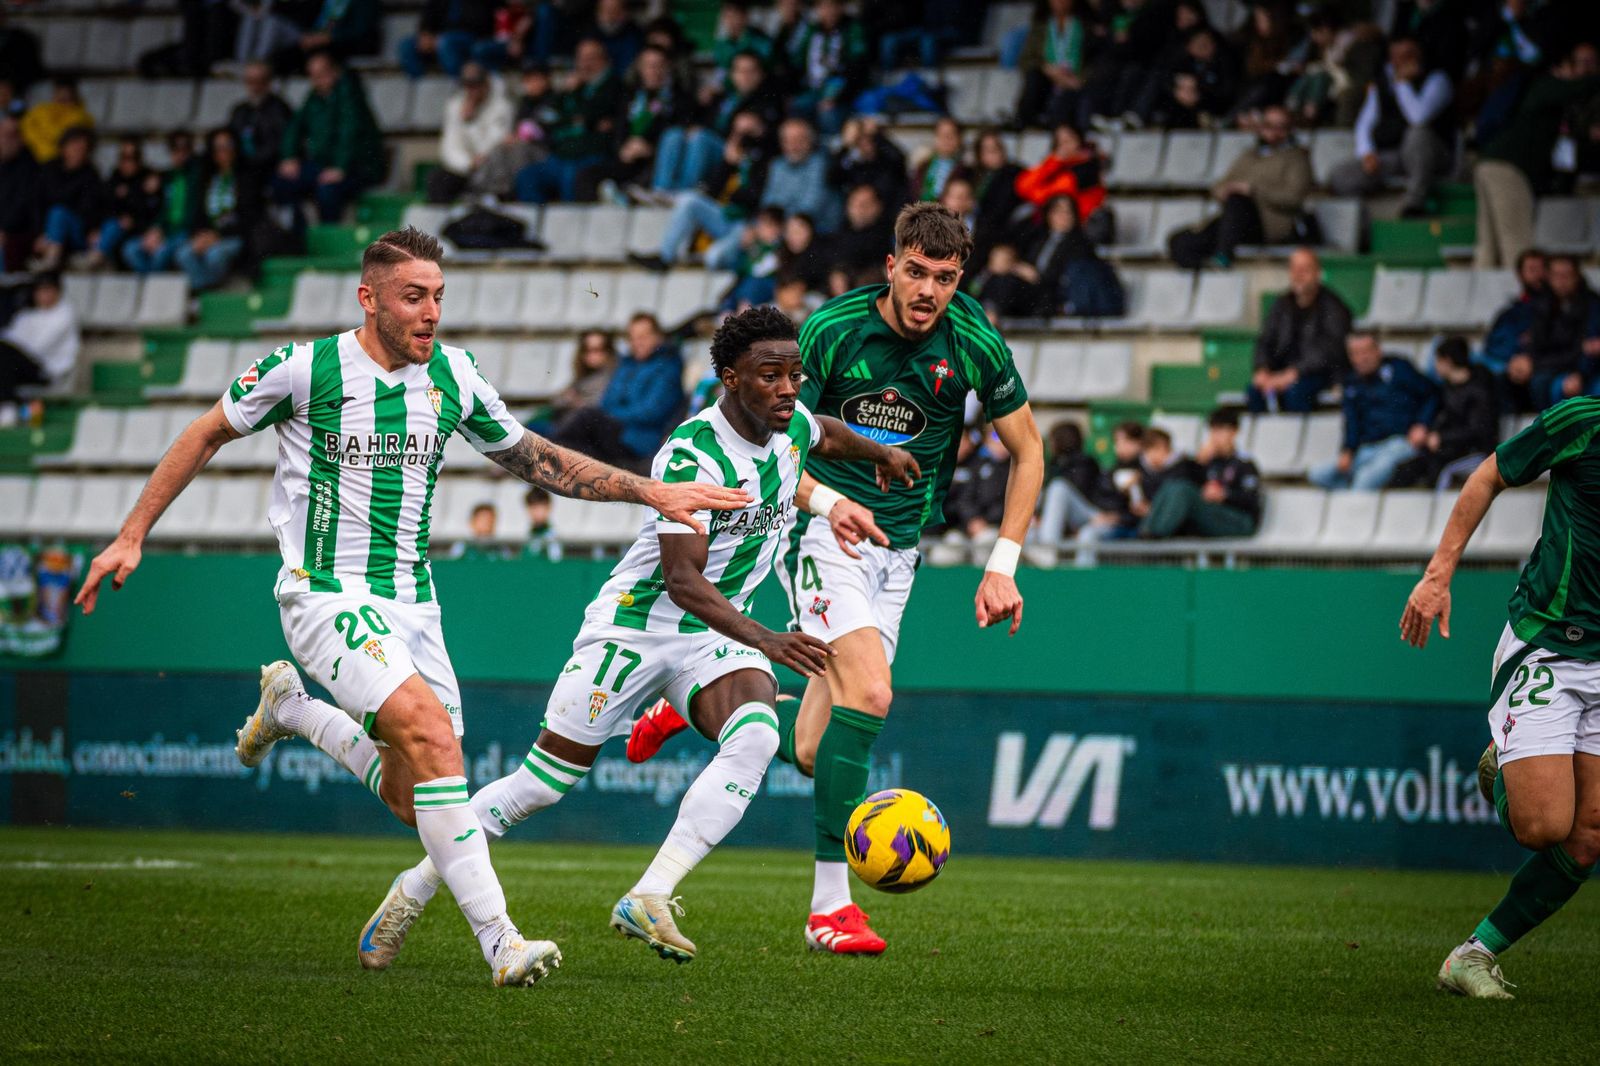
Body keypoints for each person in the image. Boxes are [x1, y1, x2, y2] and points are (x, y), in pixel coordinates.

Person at [72, 226, 743, 987]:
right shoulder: (306, 368)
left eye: (439, 298)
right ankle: (502, 943)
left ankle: (291, 711)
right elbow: (205, 433)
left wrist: (648, 489)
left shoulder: (452, 375)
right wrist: (131, 535)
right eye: (413, 297)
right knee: (433, 738)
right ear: (369, 299)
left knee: (413, 793)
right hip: (325, 593)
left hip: (414, 604)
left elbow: (536, 456)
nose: (430, 313)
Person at [358, 305, 918, 967]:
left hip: (713, 637)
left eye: (795, 373)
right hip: (637, 629)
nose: (789, 388)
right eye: (771, 375)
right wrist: (767, 640)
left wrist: (880, 449)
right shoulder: (692, 454)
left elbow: (822, 432)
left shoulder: (789, 422)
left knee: (759, 735)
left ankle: (651, 893)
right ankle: (414, 888)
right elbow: (683, 580)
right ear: (730, 378)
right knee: (540, 785)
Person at [627, 202, 1043, 954]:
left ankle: (691, 704)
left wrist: (1003, 563)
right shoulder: (830, 330)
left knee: (821, 749)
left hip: (902, 546)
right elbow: (780, 434)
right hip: (820, 528)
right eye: (915, 272)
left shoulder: (975, 341)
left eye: (945, 278)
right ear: (891, 265)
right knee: (873, 693)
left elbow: (1030, 450)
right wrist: (829, 500)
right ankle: (829, 908)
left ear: (960, 280)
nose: (927, 291)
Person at [1401, 395, 1600, 999]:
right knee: (1543, 826)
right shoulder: (1583, 421)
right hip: (1548, 642)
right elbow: (1490, 473)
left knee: (1588, 834)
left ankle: (1474, 955)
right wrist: (1438, 574)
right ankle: (1505, 767)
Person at [1474, 42, 1600, 268]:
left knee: (1489, 243)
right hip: (1508, 169)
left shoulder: (1541, 93)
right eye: (1575, 68)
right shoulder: (1546, 85)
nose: (1579, 74)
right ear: (1561, 68)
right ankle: (1523, 299)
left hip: (1490, 165)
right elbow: (1580, 88)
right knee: (1518, 245)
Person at [1168, 104, 1312, 269]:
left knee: (1238, 200)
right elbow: (1221, 184)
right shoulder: (1249, 155)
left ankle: (1223, 256)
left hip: (1267, 224)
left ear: (1288, 129)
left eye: (1279, 126)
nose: (1272, 131)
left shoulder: (1297, 159)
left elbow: (1294, 198)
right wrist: (1224, 190)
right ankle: (1207, 275)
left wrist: (1253, 191)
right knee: (1179, 241)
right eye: (1267, 125)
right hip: (1233, 222)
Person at [1328, 37, 1454, 218]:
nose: (1398, 62)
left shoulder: (1438, 79)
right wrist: (1367, 153)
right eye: (1394, 56)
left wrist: (1402, 83)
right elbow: (1364, 122)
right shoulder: (1383, 82)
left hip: (1435, 155)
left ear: (1418, 56)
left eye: (1406, 56)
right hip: (1395, 155)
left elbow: (1417, 117)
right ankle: (1367, 220)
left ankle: (1414, 203)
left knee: (1416, 134)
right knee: (1341, 176)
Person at [549, 312, 683, 467]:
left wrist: (612, 415)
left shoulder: (667, 367)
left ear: (658, 337)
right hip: (616, 434)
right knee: (575, 450)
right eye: (632, 338)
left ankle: (544, 453)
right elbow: (607, 399)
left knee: (586, 419)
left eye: (643, 336)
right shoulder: (626, 364)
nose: (637, 342)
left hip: (638, 442)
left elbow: (650, 411)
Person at [1309, 331, 1439, 491]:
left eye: (1366, 351)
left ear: (1378, 350)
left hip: (1399, 442)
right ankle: (1353, 496)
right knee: (1317, 474)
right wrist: (1347, 450)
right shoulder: (1351, 383)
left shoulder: (1399, 368)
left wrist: (1422, 424)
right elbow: (1351, 422)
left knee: (1365, 480)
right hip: (1367, 449)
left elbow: (1432, 394)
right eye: (1356, 353)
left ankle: (1354, 499)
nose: (1362, 358)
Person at [273, 51, 384, 229]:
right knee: (284, 182)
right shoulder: (314, 98)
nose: (318, 80)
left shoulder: (351, 95)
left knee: (327, 191)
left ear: (335, 71)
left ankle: (328, 235)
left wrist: (340, 168)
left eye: (322, 73)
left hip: (357, 167)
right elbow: (295, 127)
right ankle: (298, 233)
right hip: (323, 165)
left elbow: (350, 134)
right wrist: (289, 156)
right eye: (313, 75)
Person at [514, 38, 623, 204]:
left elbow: (593, 113)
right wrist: (570, 100)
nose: (585, 64)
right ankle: (536, 227)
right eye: (581, 58)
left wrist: (579, 114)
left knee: (571, 175)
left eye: (591, 58)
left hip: (590, 156)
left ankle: (569, 226)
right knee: (527, 176)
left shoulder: (613, 86)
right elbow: (548, 117)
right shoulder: (569, 90)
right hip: (559, 157)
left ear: (603, 60)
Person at [1249, 247, 1353, 412]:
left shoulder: (1334, 307)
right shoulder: (1281, 304)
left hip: (1319, 374)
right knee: (1255, 391)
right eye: (1294, 269)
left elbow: (1329, 351)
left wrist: (1293, 373)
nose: (1299, 275)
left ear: (1317, 272)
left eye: (1305, 269)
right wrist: (1262, 369)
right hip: (1282, 372)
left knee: (1296, 392)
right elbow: (1266, 339)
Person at [1390, 336, 1499, 489]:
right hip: (1450, 449)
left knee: (1441, 471)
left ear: (1447, 361)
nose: (1435, 366)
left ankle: (1439, 509)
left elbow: (1478, 431)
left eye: (1437, 361)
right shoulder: (1448, 388)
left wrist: (1442, 438)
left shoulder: (1479, 391)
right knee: (1406, 469)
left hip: (1477, 451)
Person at [1140, 409, 1260, 538]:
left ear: (1234, 432)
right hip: (1211, 516)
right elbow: (1181, 484)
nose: (1215, 436)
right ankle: (1147, 532)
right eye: (1213, 431)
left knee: (1182, 491)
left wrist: (1224, 495)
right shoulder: (1209, 462)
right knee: (1172, 486)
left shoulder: (1245, 463)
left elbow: (1251, 499)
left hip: (1237, 520)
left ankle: (1154, 537)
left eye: (1221, 431)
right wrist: (1198, 463)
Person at [1522, 254, 1600, 411]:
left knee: (1561, 387)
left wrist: (1580, 374)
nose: (1562, 281)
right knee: (1538, 381)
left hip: (1583, 367)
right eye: (1557, 275)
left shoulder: (1592, 305)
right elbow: (1536, 343)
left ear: (1577, 277)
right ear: (1549, 277)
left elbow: (1589, 347)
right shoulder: (1541, 305)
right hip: (1553, 364)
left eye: (1567, 275)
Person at [427, 63, 514, 204]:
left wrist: (470, 123)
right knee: (438, 180)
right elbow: (450, 145)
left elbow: (494, 141)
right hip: (466, 166)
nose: (471, 90)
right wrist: (467, 163)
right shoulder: (455, 106)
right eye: (468, 85)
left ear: (486, 84)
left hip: (491, 167)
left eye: (476, 85)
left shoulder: (502, 106)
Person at [123, 131, 202, 277]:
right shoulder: (165, 177)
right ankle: (149, 284)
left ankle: (150, 285)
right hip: (165, 231)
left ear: (191, 151)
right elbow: (157, 209)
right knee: (130, 249)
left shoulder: (198, 176)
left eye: (184, 149)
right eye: (175, 149)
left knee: (161, 253)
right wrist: (155, 230)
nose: (180, 154)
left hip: (185, 231)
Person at [785, 0, 869, 136]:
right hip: (812, 90)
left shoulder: (852, 29)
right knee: (796, 106)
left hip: (842, 91)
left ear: (841, 7)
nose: (828, 11)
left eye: (832, 6)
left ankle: (832, 148)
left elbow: (857, 67)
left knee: (827, 112)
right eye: (823, 6)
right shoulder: (810, 30)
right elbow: (795, 62)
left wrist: (836, 96)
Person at [31, 127, 105, 273]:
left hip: (78, 231)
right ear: (64, 147)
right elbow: (36, 203)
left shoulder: (90, 174)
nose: (78, 152)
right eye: (74, 147)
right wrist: (40, 233)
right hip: (48, 231)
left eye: (82, 149)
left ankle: (51, 259)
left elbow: (90, 209)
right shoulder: (49, 170)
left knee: (59, 213)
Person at [0, 273, 78, 405]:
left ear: (58, 291)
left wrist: (11, 349)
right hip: (22, 364)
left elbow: (37, 348)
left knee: (5, 356)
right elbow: (9, 338)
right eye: (40, 291)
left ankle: (7, 406)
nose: (44, 295)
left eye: (48, 290)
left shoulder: (65, 315)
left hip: (47, 371)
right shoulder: (27, 315)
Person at [1017, 0, 1093, 130]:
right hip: (1046, 78)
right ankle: (1028, 122)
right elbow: (1026, 59)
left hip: (1076, 80)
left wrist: (1079, 80)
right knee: (1033, 78)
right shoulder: (1040, 27)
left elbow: (1094, 60)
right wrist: (1048, 69)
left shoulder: (1086, 27)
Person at [529, 330, 616, 437]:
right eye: (586, 350)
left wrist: (576, 401)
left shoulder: (612, 377)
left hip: (574, 431)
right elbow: (557, 400)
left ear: (608, 351)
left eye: (597, 350)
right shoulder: (583, 377)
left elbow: (600, 408)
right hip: (561, 424)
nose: (591, 355)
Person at [762, 118, 841, 235]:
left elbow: (810, 208)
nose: (793, 146)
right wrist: (766, 221)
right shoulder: (777, 165)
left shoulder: (821, 164)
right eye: (787, 140)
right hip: (782, 228)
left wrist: (778, 224)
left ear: (811, 141)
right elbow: (768, 200)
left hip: (818, 231)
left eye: (799, 139)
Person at [1481, 248, 1547, 389]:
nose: (1538, 275)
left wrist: (1528, 358)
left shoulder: (1555, 308)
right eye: (1532, 269)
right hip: (1509, 360)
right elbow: (1492, 343)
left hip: (1539, 363)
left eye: (1541, 269)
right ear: (1520, 274)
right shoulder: (1511, 311)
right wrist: (1512, 359)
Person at [399, 0, 497, 79]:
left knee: (446, 43)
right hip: (440, 38)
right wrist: (425, 34)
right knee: (406, 45)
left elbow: (480, 22)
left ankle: (460, 82)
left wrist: (439, 38)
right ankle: (421, 85)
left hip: (471, 38)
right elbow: (428, 15)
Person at [228, 61, 294, 178]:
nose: (254, 87)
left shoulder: (280, 109)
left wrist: (253, 160)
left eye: (260, 81)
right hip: (244, 164)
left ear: (268, 82)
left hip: (270, 165)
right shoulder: (239, 110)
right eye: (250, 81)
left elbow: (282, 143)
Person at [19, 78, 93, 165]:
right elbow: (26, 129)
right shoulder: (41, 110)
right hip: (34, 157)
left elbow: (62, 137)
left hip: (62, 162)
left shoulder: (80, 117)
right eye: (59, 93)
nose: (62, 97)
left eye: (66, 94)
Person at [0, 116, 40, 271]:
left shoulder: (29, 167)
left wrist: (5, 229)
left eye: (11, 136)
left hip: (19, 232)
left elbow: (23, 205)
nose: (5, 141)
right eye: (3, 135)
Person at [910, 117, 964, 204]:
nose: (946, 139)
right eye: (941, 134)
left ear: (960, 139)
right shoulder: (923, 165)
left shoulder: (966, 169)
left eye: (951, 135)